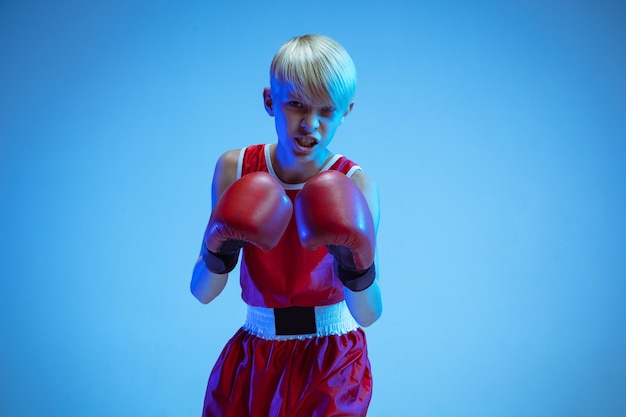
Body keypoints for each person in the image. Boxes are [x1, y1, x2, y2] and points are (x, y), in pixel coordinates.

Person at [191, 34, 383, 417]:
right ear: (269, 101)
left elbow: (368, 313)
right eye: (296, 104)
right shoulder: (235, 168)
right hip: (255, 351)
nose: (309, 123)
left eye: (326, 110)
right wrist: (218, 250)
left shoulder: (355, 183)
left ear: (346, 111)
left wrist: (355, 266)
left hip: (331, 358)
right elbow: (203, 291)